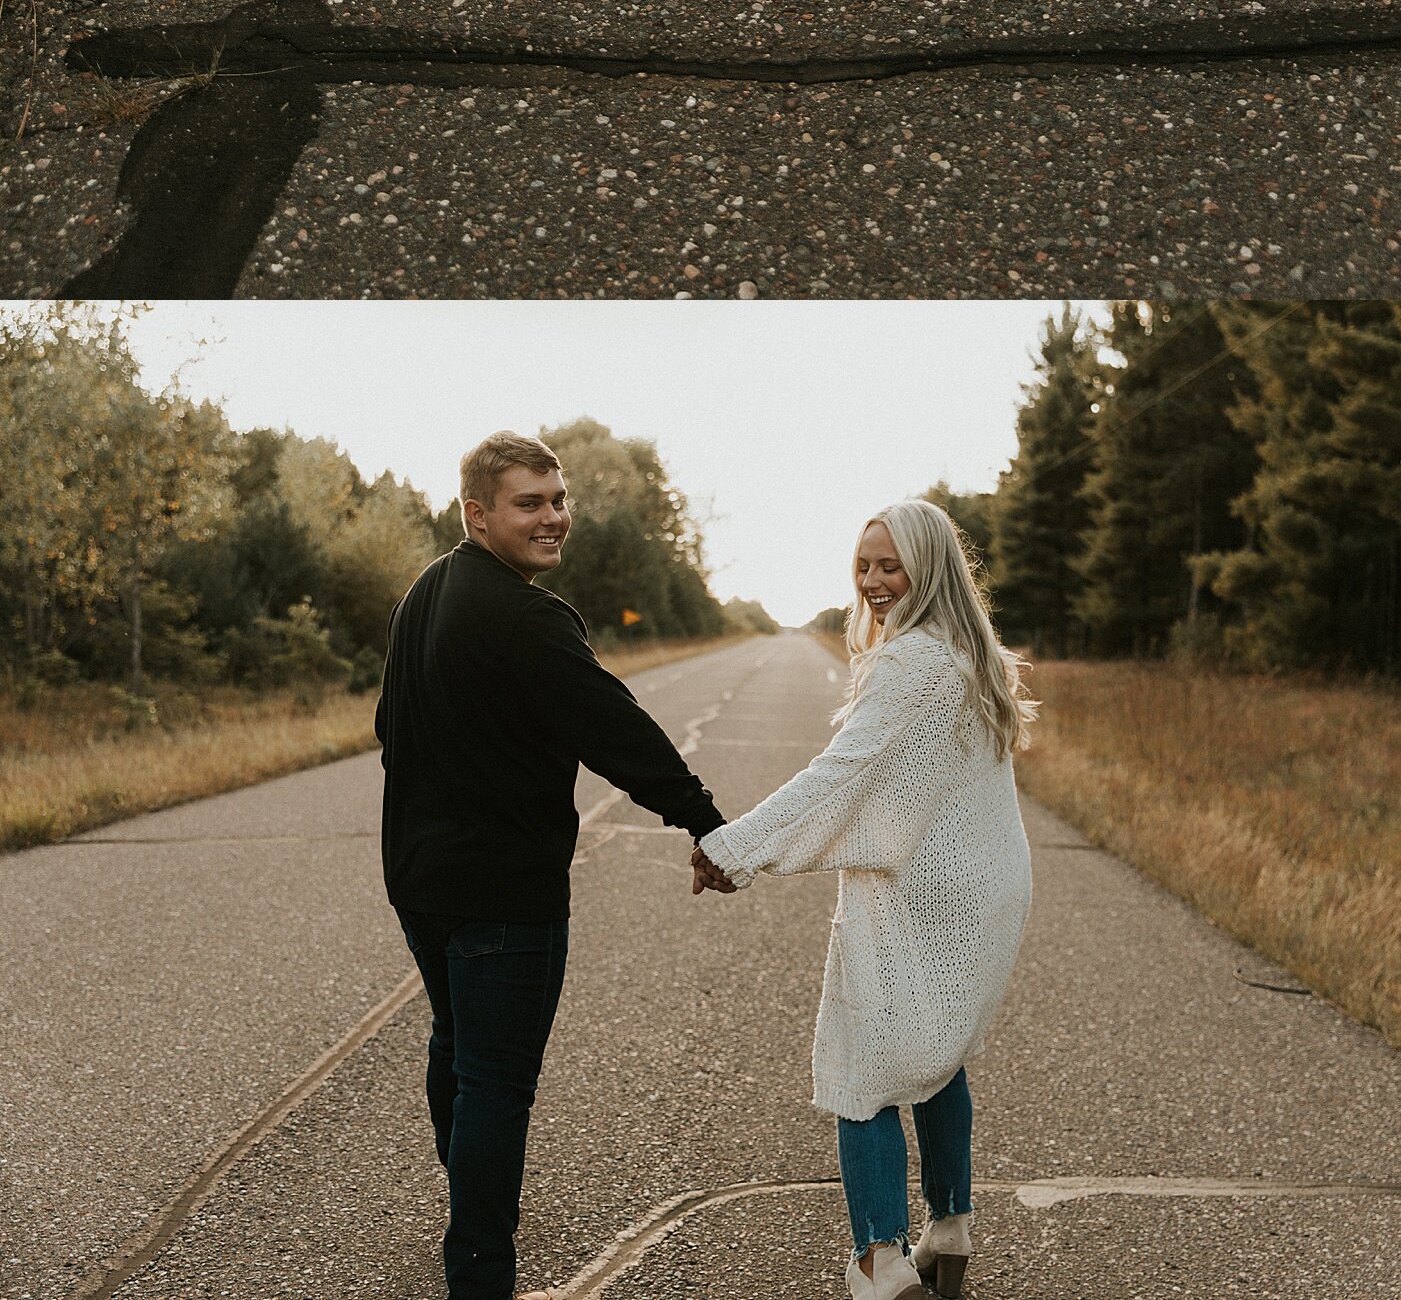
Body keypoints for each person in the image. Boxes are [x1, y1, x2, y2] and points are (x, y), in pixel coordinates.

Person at [375, 431, 726, 1300]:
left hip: (420, 879)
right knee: (495, 1081)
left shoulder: (428, 591)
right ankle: (482, 1273)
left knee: (456, 1048)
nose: (553, 517)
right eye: (530, 503)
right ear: (478, 513)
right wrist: (709, 826)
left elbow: (389, 725)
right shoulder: (529, 617)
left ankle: (470, 1214)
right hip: (503, 894)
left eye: (559, 499)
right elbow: (617, 733)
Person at [692, 500, 1036, 1299]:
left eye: (891, 565)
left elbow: (841, 775)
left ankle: (880, 1264)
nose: (875, 581)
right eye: (864, 565)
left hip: (930, 893)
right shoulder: (968, 651)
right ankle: (949, 1228)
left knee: (865, 1063)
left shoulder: (911, 661)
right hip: (983, 883)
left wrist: (734, 849)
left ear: (930, 567)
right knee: (936, 1049)